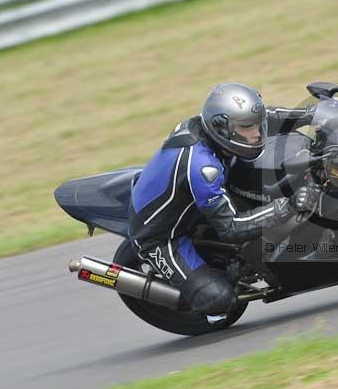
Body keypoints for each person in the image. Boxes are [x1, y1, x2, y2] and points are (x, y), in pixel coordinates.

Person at [128, 83, 320, 317]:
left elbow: (268, 116)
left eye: (254, 125)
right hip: (160, 235)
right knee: (219, 301)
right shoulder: (203, 168)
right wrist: (288, 207)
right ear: (222, 128)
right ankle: (195, 293)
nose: (257, 133)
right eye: (247, 128)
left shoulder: (210, 126)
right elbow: (231, 228)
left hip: (193, 197)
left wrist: (311, 114)